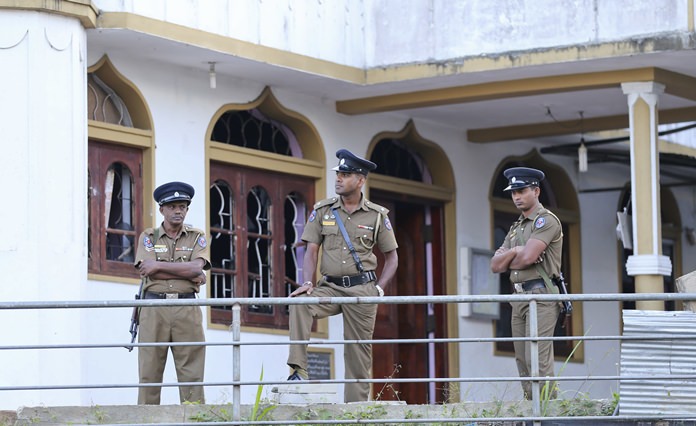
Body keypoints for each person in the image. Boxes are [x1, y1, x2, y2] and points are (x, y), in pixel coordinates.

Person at [287, 149, 399, 402]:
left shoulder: (376, 216)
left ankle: (355, 409)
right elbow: (311, 250)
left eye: (345, 175)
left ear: (360, 181)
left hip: (362, 289)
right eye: (338, 174)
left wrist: (379, 289)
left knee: (357, 353)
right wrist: (308, 282)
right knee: (300, 303)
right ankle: (298, 371)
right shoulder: (323, 210)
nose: (338, 179)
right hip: (330, 287)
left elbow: (392, 257)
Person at [134, 181, 210, 405]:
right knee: (149, 371)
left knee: (192, 373)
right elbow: (147, 270)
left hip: (186, 307)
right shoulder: (149, 237)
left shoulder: (196, 236)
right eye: (173, 206)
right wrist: (187, 272)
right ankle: (146, 419)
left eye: (182, 207)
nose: (178, 211)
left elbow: (197, 267)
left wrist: (158, 266)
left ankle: (194, 417)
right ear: (162, 210)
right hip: (153, 308)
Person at [490, 167, 562, 400]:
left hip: (540, 295)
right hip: (518, 297)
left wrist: (512, 255)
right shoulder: (516, 228)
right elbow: (495, 266)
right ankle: (531, 406)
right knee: (522, 358)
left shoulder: (545, 221)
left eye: (521, 191)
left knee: (537, 359)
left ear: (536, 191)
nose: (517, 197)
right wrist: (516, 251)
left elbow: (528, 258)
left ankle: (548, 410)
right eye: (513, 193)